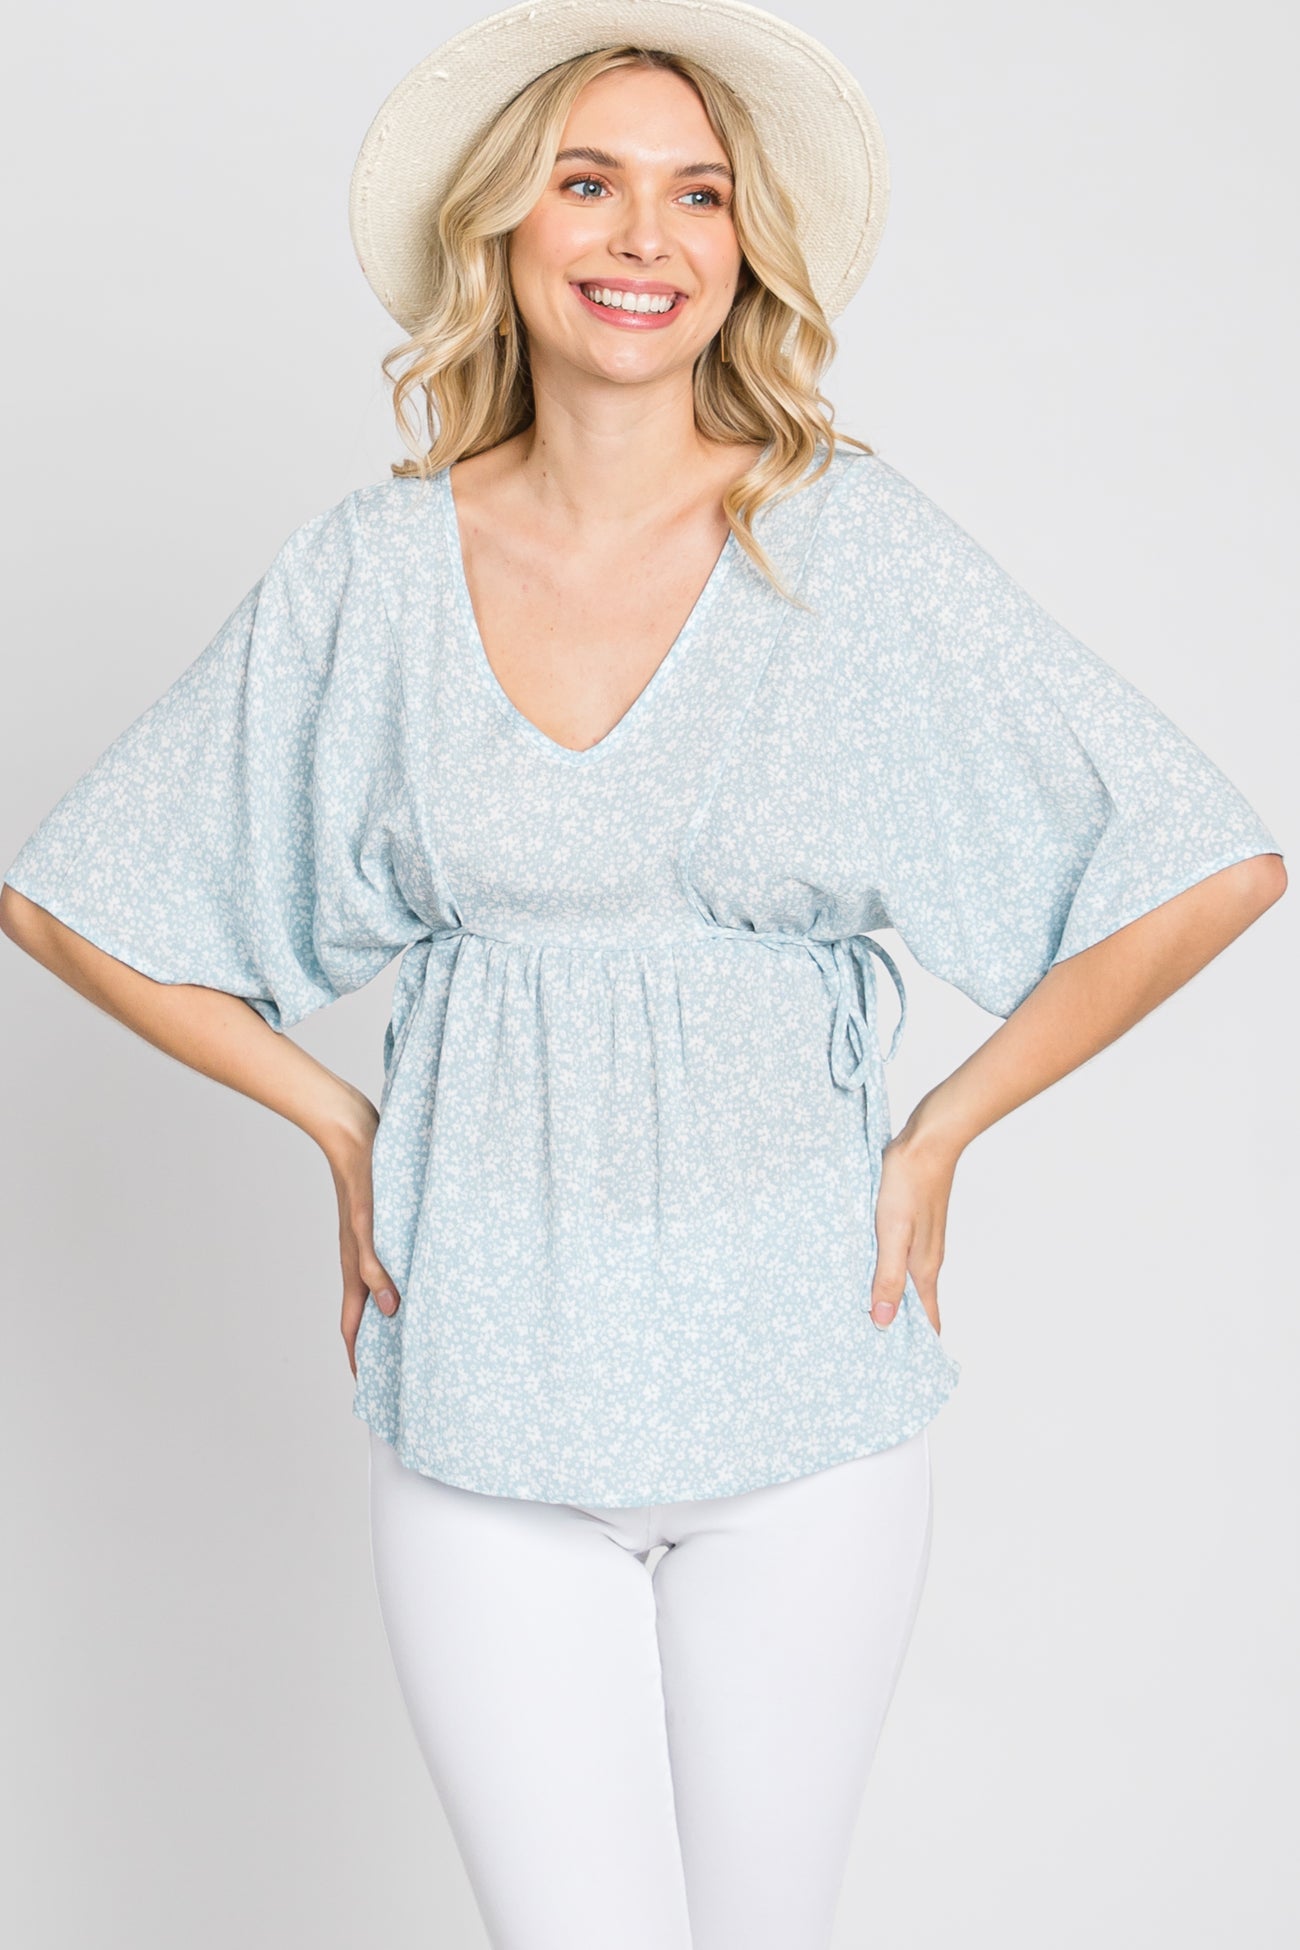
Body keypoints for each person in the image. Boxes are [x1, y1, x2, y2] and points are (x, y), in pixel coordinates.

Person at [0, 3, 1286, 1947]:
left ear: (744, 248)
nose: (643, 236)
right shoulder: (371, 573)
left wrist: (942, 1129)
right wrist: (342, 1125)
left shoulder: (842, 552)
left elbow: (1201, 859)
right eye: (587, 182)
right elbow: (74, 897)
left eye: (697, 194)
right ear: (500, 229)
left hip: (802, 1408)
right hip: (485, 1408)